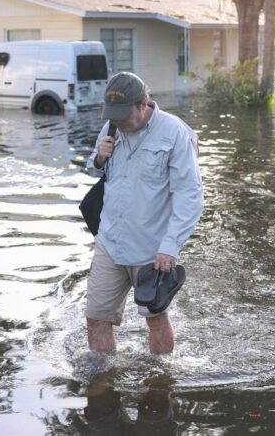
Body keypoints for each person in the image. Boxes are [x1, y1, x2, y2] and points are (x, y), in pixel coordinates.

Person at [84, 72, 203, 355]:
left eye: (125, 116)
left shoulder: (175, 132)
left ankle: (160, 379)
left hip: (152, 249)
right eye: (113, 116)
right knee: (96, 317)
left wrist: (170, 246)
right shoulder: (112, 126)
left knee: (155, 319)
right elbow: (95, 169)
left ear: (143, 104)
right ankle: (103, 383)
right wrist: (99, 157)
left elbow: (191, 194)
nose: (119, 123)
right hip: (110, 241)